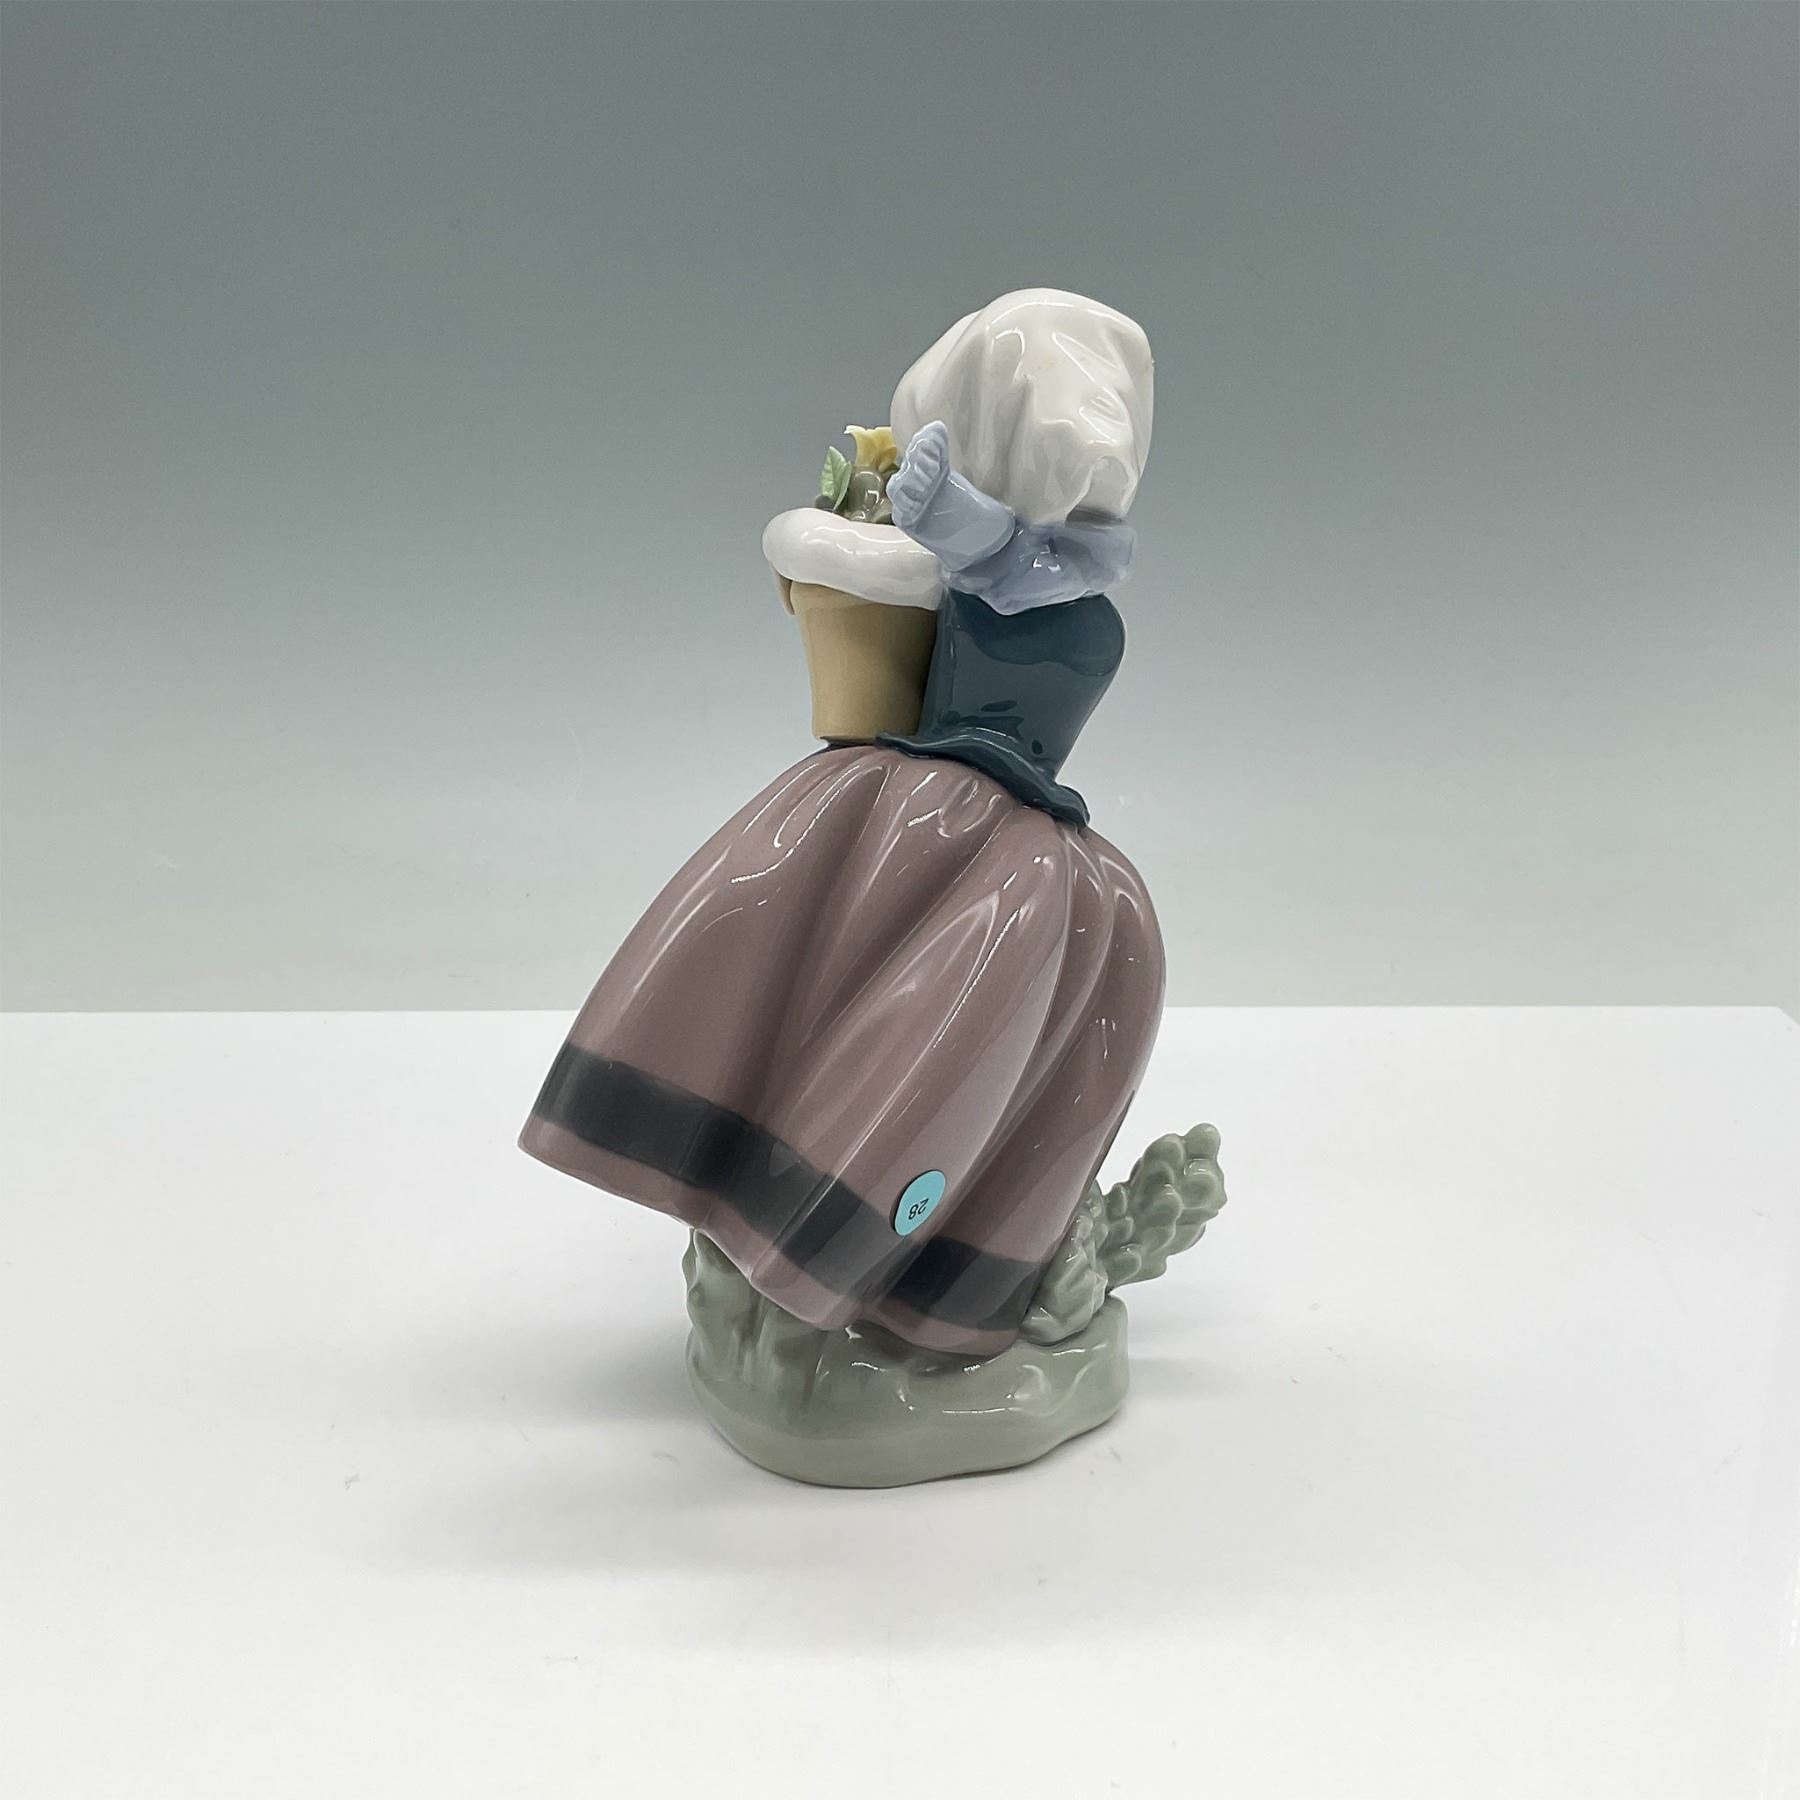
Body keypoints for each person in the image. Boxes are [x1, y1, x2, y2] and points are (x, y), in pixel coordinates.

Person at [520, 289, 1164, 1357]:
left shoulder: (1053, 569)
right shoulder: (971, 556)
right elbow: (953, 564)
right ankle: (770, 1216)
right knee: (834, 986)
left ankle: (909, 1264)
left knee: (988, 1016)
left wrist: (960, 516)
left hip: (1013, 831)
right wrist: (933, 516)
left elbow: (1015, 566)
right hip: (928, 801)